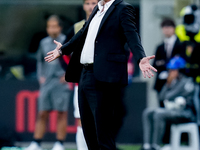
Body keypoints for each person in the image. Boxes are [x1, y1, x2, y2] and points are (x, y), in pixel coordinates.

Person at [45, 0, 157, 149]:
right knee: (89, 132)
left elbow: (132, 35)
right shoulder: (98, 9)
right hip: (84, 75)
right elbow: (82, 33)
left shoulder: (122, 8)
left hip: (103, 76)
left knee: (103, 133)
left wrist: (140, 58)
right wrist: (62, 50)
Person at [25, 15, 71, 150]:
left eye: (54, 26)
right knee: (42, 112)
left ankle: (59, 144)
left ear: (60, 27)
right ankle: (36, 142)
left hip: (61, 82)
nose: (51, 29)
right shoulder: (43, 42)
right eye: (49, 26)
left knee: (61, 113)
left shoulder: (67, 41)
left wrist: (67, 75)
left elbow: (74, 59)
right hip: (47, 82)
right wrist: (41, 76)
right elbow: (39, 60)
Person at [142, 56, 196, 150]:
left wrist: (170, 84)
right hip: (172, 111)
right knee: (148, 112)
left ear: (181, 70)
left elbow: (169, 97)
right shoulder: (171, 82)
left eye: (173, 70)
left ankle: (156, 145)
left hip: (185, 113)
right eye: (170, 70)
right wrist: (168, 84)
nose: (170, 72)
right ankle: (147, 145)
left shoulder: (188, 82)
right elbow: (161, 97)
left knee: (159, 114)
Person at [65, 0, 98, 149]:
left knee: (100, 118)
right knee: (81, 117)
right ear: (84, 6)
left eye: (94, 3)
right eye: (88, 3)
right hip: (82, 81)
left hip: (101, 80)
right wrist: (72, 71)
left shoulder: (106, 23)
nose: (91, 6)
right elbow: (64, 51)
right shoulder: (77, 27)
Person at [153, 18, 181, 101]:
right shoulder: (160, 47)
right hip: (161, 83)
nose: (166, 30)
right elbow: (155, 64)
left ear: (174, 29)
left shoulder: (181, 45)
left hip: (177, 83)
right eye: (164, 28)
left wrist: (163, 64)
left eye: (169, 27)